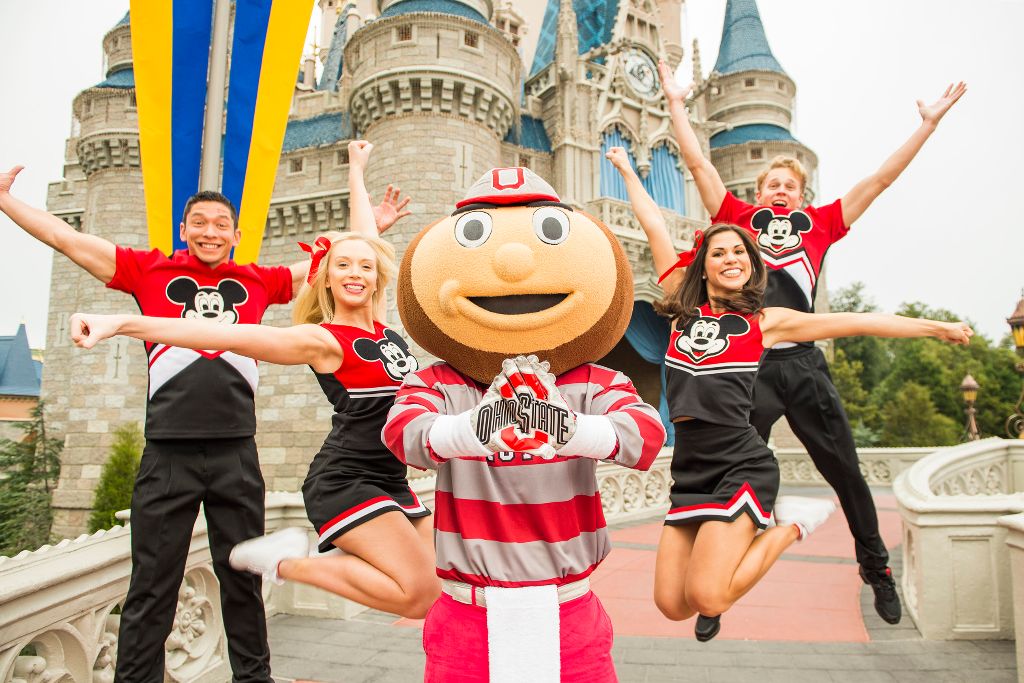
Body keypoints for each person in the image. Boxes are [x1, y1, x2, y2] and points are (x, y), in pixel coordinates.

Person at [0, 142, 410, 681]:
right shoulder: (148, 272)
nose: (211, 232)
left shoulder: (260, 282)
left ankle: (253, 678)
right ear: (184, 230)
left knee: (242, 577)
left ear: (237, 235)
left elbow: (347, 271)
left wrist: (368, 228)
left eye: (222, 224)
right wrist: (7, 202)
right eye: (200, 223)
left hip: (237, 452)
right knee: (152, 582)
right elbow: (69, 239)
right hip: (166, 452)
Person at [69, 141, 439, 620]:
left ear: (376, 278)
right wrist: (121, 323)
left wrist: (355, 170)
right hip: (347, 480)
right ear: (324, 278)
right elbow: (216, 331)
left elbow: (363, 240)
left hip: (392, 479)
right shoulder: (321, 340)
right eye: (342, 266)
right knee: (417, 596)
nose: (356, 273)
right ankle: (287, 561)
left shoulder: (384, 327)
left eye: (365, 267)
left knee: (440, 589)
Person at [657, 59, 966, 624]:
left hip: (799, 360)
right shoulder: (736, 223)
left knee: (844, 468)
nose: (780, 191)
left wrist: (926, 126)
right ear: (757, 192)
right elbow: (698, 163)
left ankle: (875, 567)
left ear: (803, 195)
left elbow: (879, 182)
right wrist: (677, 104)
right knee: (726, 464)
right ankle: (717, 581)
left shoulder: (820, 225)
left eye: (791, 187)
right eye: (772, 185)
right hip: (744, 372)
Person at [383, 167, 666, 681]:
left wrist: (567, 428)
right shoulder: (439, 383)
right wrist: (474, 428)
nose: (513, 264)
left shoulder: (594, 381)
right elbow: (405, 436)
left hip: (569, 612)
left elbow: (646, 436)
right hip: (467, 615)